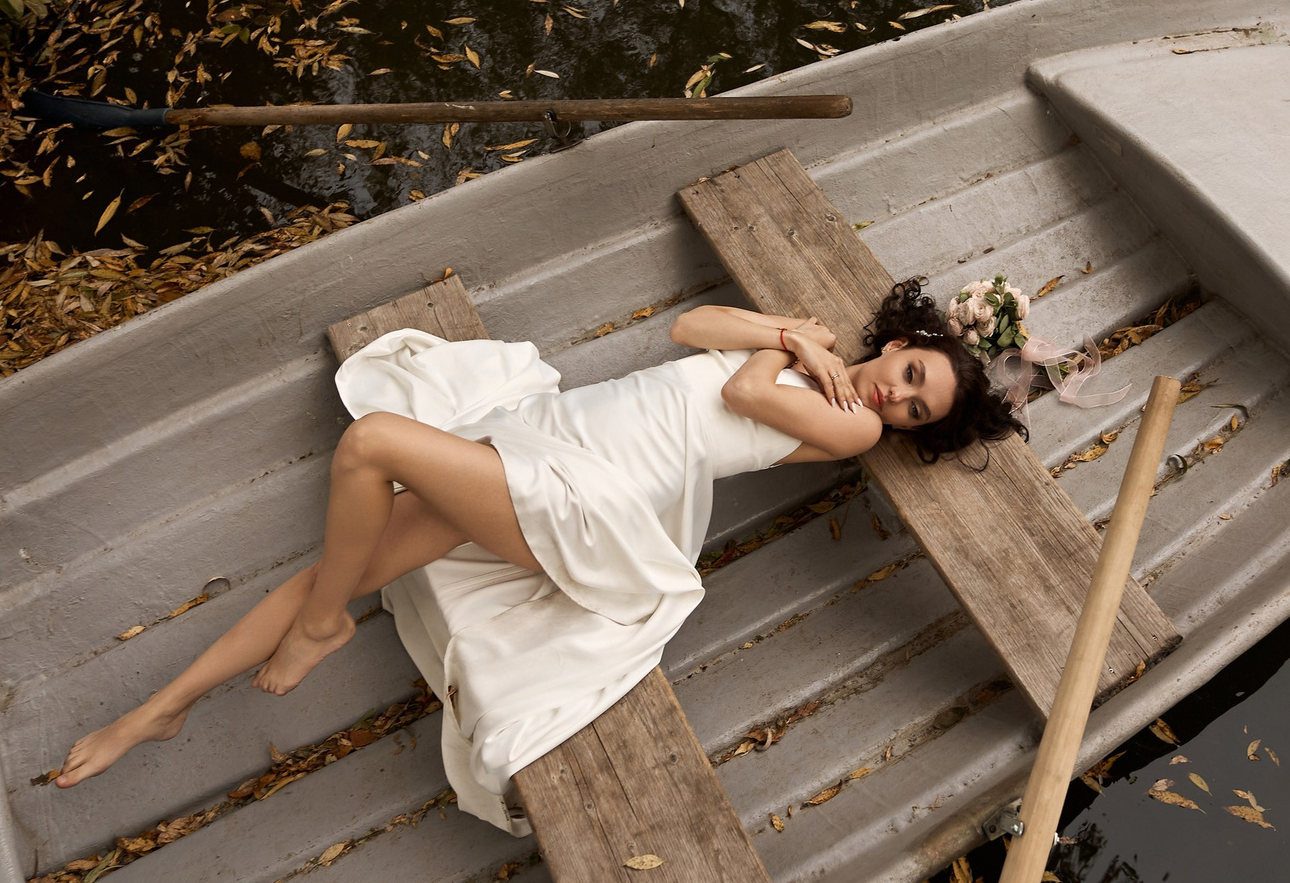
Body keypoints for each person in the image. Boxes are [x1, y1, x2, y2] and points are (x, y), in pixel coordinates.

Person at [57, 279, 1031, 825]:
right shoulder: (812, 349)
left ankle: (319, 628)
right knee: (340, 566)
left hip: (584, 499)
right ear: (899, 341)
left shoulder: (852, 426)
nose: (896, 398)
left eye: (916, 410)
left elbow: (739, 393)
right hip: (550, 437)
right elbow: (689, 327)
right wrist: (792, 333)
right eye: (910, 373)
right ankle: (161, 710)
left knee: (373, 445)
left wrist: (796, 352)